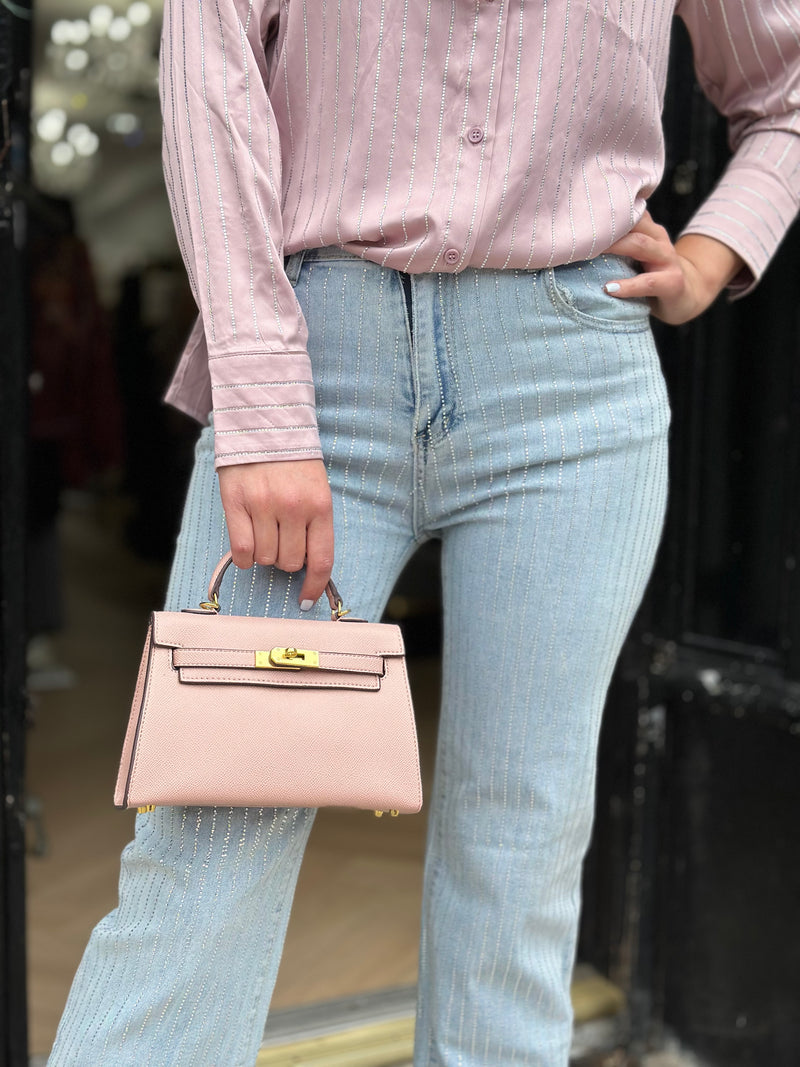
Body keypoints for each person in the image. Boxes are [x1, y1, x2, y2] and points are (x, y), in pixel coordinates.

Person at [48, 2, 799, 1065]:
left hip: (571, 390)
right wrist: (262, 405)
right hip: (314, 370)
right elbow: (211, 92)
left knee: (519, 848)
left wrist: (715, 251)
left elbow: (783, 91)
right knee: (209, 836)